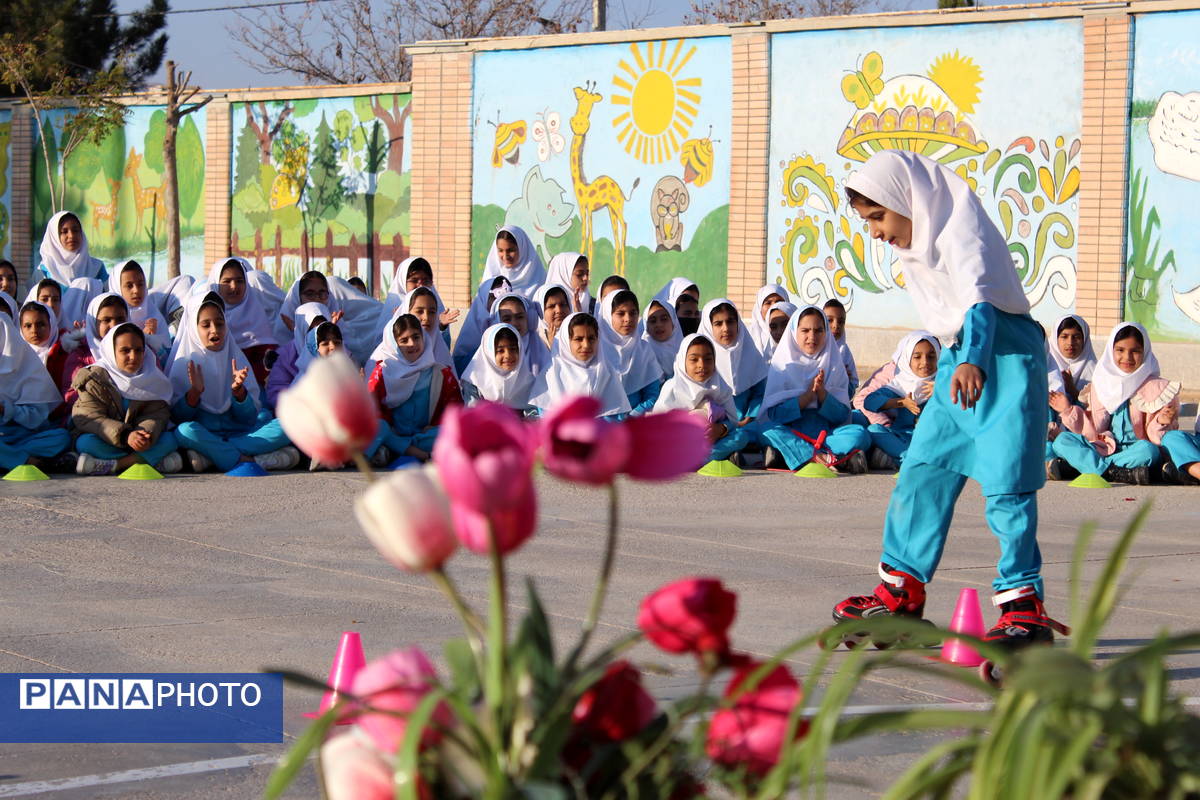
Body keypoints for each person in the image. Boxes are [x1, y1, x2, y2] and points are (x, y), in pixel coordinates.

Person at [832, 151, 1061, 657]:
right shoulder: (918, 248)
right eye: (867, 221)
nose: (875, 232)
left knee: (1007, 485)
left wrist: (973, 357)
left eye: (878, 217)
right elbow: (952, 317)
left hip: (1002, 356)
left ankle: (1023, 606)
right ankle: (901, 593)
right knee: (922, 470)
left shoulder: (962, 228)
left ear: (904, 200)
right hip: (960, 360)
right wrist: (960, 358)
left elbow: (979, 296)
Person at [168, 291, 297, 473]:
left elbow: (249, 417)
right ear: (193, 328)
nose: (214, 330)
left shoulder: (236, 358)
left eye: (220, 324)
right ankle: (246, 459)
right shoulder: (184, 363)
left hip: (241, 433)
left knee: (286, 424)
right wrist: (194, 394)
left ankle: (215, 456)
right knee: (184, 431)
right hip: (205, 432)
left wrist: (239, 394)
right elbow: (178, 418)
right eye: (206, 325)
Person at [1047, 322, 1178, 486]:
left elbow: (1160, 440)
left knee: (1148, 450)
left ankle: (1091, 468)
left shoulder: (1158, 388)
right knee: (1062, 441)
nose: (1127, 358)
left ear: (1145, 352)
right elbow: (1092, 430)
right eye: (1120, 350)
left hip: (1137, 450)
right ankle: (1114, 472)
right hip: (1104, 447)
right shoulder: (1102, 383)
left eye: (1135, 351)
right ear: (1111, 351)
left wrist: (1161, 423)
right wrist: (1068, 410)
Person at [759, 305, 869, 473]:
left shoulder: (833, 365)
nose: (812, 337)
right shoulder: (781, 365)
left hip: (826, 435)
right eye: (805, 330)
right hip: (792, 432)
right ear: (794, 332)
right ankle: (825, 458)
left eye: (818, 331)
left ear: (826, 333)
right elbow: (775, 415)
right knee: (767, 431)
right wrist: (806, 397)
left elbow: (841, 416)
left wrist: (822, 395)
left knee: (859, 433)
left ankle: (792, 456)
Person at [71, 322, 182, 476]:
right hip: (108, 439)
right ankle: (148, 461)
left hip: (139, 442)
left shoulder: (153, 379)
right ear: (112, 351)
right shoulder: (94, 378)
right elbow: (89, 417)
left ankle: (115, 465)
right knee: (85, 443)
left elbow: (157, 415)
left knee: (170, 438)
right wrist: (125, 435)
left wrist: (143, 434)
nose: (133, 356)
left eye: (138, 350)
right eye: (125, 350)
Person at [367, 313, 462, 463]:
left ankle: (393, 450)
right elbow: (372, 409)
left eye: (416, 337)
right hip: (392, 434)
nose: (412, 343)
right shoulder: (383, 372)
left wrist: (435, 426)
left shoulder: (441, 373)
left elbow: (455, 410)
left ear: (424, 337)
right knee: (377, 427)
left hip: (424, 436)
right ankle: (414, 451)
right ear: (394, 344)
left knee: (455, 432)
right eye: (404, 340)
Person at [654, 333, 749, 467]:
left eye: (708, 359)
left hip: (711, 441)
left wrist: (721, 429)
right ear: (682, 361)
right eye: (694, 359)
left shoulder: (720, 386)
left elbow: (732, 421)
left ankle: (701, 460)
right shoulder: (672, 388)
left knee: (741, 436)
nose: (701, 365)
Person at [853, 331, 940, 471]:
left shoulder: (943, 383)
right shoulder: (899, 385)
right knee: (875, 430)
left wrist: (941, 392)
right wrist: (900, 402)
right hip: (903, 437)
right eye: (917, 357)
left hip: (932, 439)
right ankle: (911, 460)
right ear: (906, 360)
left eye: (931, 356)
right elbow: (869, 401)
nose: (925, 362)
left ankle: (903, 461)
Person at [0, 313, 73, 474]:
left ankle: (9, 459)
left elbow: (38, 420)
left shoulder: (26, 366)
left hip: (24, 437)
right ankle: (24, 460)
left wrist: (6, 410)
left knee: (62, 437)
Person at [530, 312, 630, 418]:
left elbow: (616, 416)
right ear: (565, 341)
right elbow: (547, 417)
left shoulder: (606, 372)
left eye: (591, 338)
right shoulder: (551, 375)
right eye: (578, 339)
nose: (586, 345)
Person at [276, 270, 384, 366]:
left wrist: (330, 331)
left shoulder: (340, 328)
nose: (317, 298)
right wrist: (299, 332)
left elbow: (353, 367)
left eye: (322, 293)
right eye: (310, 293)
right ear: (297, 297)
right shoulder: (284, 346)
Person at [697, 298, 768, 441]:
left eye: (730, 322)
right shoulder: (700, 359)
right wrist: (722, 425)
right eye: (718, 323)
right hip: (712, 423)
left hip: (748, 423)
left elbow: (760, 394)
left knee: (767, 431)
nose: (726, 328)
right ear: (708, 326)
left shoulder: (750, 353)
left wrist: (749, 417)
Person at [206, 257, 279, 385]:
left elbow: (267, 361)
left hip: (252, 389)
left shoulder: (256, 316)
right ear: (215, 284)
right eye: (227, 281)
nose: (234, 287)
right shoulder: (205, 320)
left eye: (240, 281)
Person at [598, 289, 663, 416]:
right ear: (607, 316)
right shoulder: (596, 352)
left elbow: (652, 395)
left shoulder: (644, 350)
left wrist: (632, 417)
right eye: (621, 313)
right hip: (601, 426)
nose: (628, 319)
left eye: (633, 313)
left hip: (635, 425)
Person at [61, 293, 129, 408]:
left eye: (120, 319)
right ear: (93, 323)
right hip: (94, 414)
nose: (114, 325)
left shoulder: (139, 349)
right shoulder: (81, 355)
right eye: (106, 320)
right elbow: (71, 394)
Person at [265, 302, 336, 409]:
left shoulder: (338, 351)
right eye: (311, 330)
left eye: (322, 330)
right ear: (301, 330)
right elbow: (276, 396)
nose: (317, 336)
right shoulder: (285, 357)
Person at [460, 323, 535, 412]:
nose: (508, 355)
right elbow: (472, 416)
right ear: (489, 352)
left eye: (513, 349)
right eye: (500, 350)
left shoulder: (527, 381)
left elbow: (534, 414)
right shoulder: (474, 382)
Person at [109, 260, 171, 363]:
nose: (136, 290)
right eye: (129, 286)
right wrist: (142, 338)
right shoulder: (112, 319)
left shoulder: (154, 316)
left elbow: (167, 358)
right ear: (117, 288)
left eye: (140, 284)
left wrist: (154, 339)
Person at [453, 276, 513, 374]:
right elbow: (460, 366)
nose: (499, 302)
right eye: (494, 297)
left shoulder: (515, 325)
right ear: (483, 299)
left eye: (505, 297)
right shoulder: (472, 329)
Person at [37, 211, 107, 285]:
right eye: (64, 231)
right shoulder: (44, 271)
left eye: (75, 230)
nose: (71, 236)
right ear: (54, 237)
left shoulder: (97, 267)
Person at [491, 292, 551, 376]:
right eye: (507, 319)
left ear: (529, 319)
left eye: (519, 317)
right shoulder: (490, 351)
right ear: (496, 322)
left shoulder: (539, 349)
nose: (514, 323)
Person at [482, 226, 546, 299]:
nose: (505, 256)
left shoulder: (539, 278)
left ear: (522, 248)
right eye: (500, 250)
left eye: (511, 250)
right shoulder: (490, 281)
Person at [1047, 313, 1097, 404]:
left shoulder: (1096, 372)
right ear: (1055, 339)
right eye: (1064, 337)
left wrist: (1072, 390)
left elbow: (1098, 410)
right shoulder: (1047, 367)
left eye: (1076, 337)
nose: (1070, 342)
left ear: (1084, 340)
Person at [18, 302, 67, 389]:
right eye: (28, 326)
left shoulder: (65, 353)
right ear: (21, 328)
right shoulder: (15, 356)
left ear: (51, 324)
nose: (34, 330)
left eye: (41, 324)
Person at [823, 298, 859, 397]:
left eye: (841, 321)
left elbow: (852, 389)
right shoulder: (814, 349)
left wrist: (844, 380)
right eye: (829, 320)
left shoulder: (845, 353)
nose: (836, 325)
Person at [641, 297, 682, 377]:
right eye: (653, 321)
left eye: (664, 319)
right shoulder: (643, 353)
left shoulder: (686, 349)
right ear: (646, 326)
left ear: (673, 322)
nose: (658, 325)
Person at [748, 284, 790, 357]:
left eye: (778, 301)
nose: (773, 306)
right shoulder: (748, 336)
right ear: (759, 308)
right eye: (768, 303)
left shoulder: (795, 332)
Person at [533, 283, 572, 351]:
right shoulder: (533, 342)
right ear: (540, 310)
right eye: (551, 306)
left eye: (563, 304)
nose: (559, 310)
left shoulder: (579, 333)